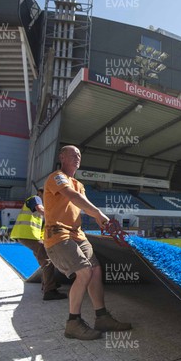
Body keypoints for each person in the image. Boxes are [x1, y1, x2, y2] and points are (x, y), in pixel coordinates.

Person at [44, 145, 131, 340]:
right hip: (58, 235)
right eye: (73, 154)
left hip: (77, 235)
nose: (77, 157)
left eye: (79, 155)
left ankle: (102, 317)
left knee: (95, 271)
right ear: (61, 157)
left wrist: (99, 220)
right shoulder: (57, 177)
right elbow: (72, 197)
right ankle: (73, 323)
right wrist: (100, 214)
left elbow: (79, 203)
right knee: (84, 272)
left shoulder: (80, 184)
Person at [10, 188, 66, 300]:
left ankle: (47, 283)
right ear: (40, 193)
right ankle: (49, 290)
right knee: (47, 261)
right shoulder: (35, 199)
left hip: (29, 236)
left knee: (44, 260)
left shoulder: (42, 206)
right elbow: (40, 209)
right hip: (27, 235)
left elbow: (43, 227)